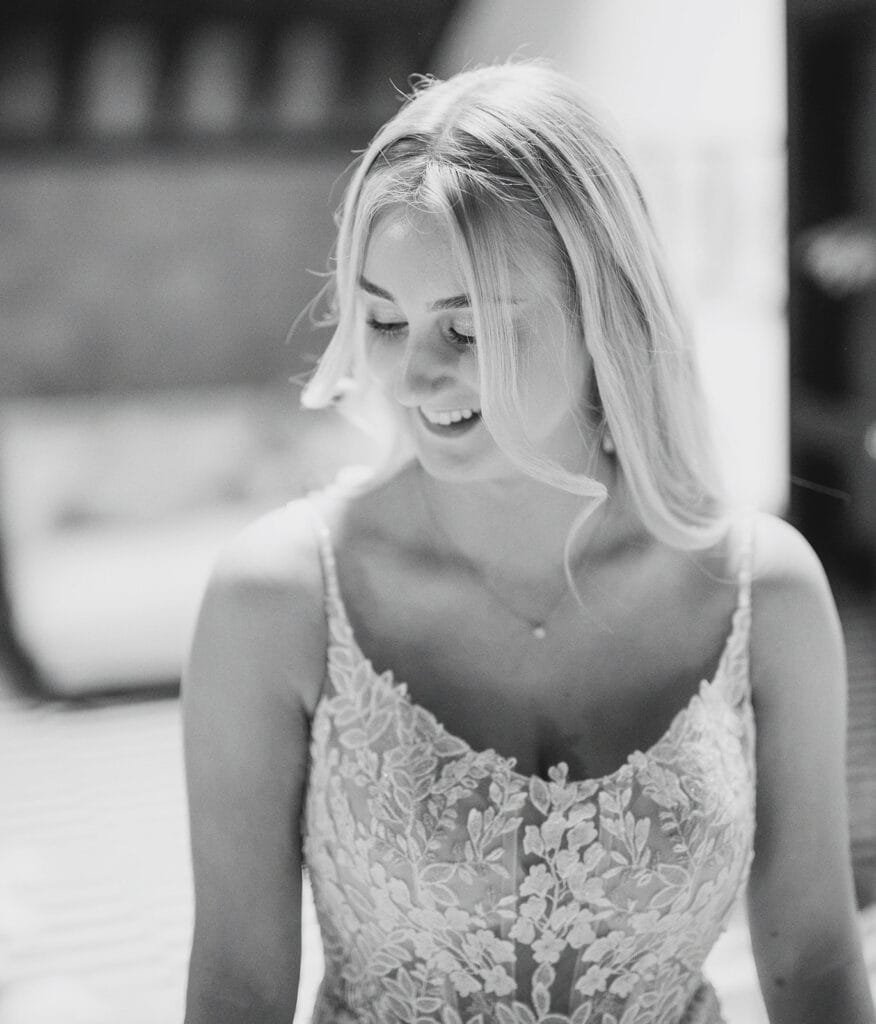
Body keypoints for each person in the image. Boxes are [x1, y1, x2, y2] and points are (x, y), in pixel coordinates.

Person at [182, 62, 876, 1024]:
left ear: (605, 311)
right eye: (384, 319)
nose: (415, 374)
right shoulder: (278, 601)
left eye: (465, 332)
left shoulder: (767, 591)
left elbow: (815, 960)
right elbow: (235, 988)